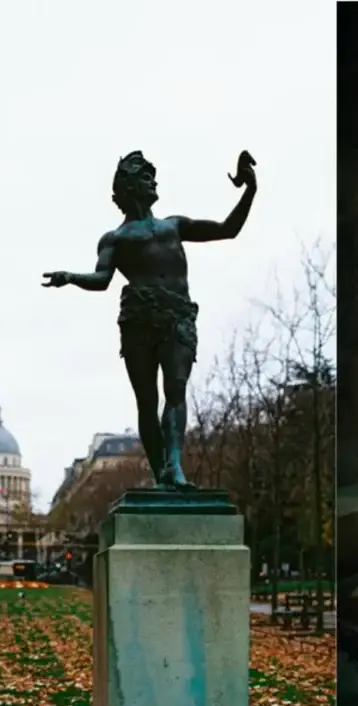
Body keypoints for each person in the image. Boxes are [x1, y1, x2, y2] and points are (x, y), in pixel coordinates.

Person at [43, 150, 256, 487]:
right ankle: (163, 474)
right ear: (129, 188)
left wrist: (250, 190)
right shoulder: (115, 239)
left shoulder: (174, 226)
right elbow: (102, 280)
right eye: (146, 177)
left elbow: (228, 229)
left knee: (176, 389)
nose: (154, 182)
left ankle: (174, 464)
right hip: (138, 319)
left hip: (176, 316)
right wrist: (69, 276)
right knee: (147, 401)